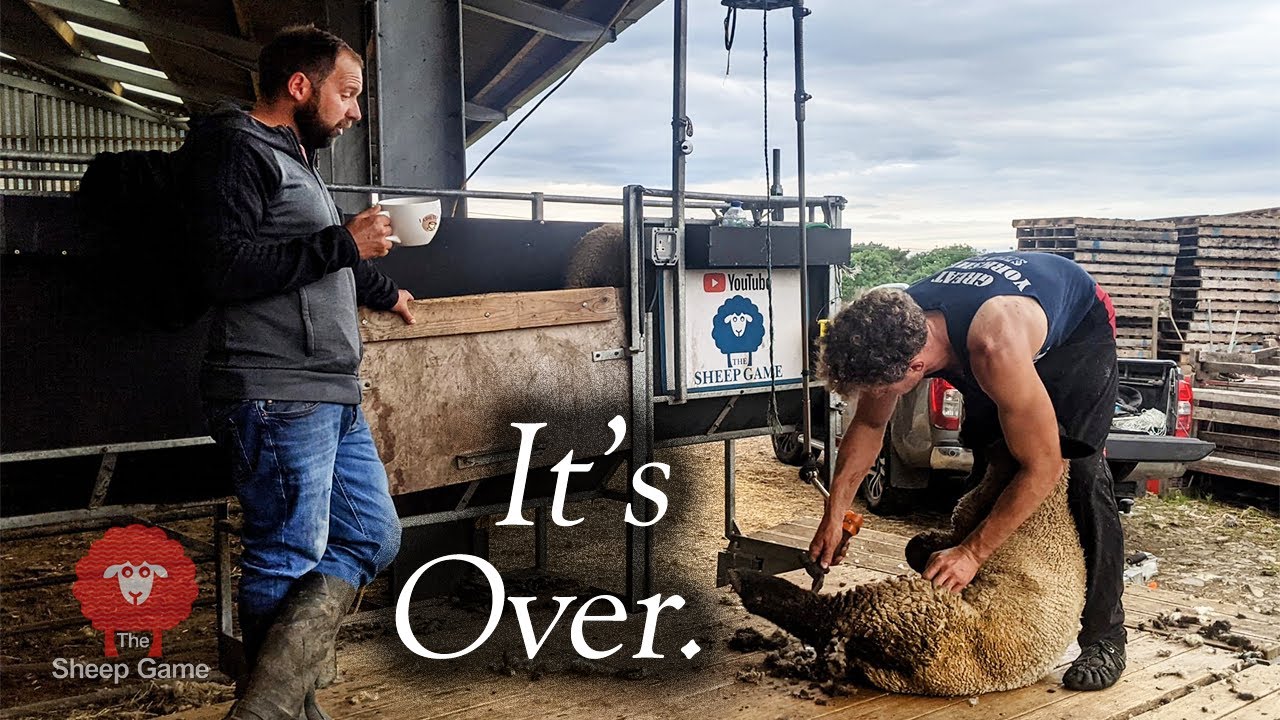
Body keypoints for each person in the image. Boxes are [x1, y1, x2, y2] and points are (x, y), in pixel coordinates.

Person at [177, 25, 413, 719]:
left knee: (372, 533)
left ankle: (270, 707)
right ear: (300, 86)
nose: (356, 111)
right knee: (286, 552)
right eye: (348, 94)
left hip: (325, 390)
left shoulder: (293, 156)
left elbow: (315, 257)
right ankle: (283, 711)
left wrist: (383, 291)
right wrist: (344, 240)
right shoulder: (233, 148)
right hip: (273, 388)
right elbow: (225, 267)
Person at [810, 251, 1127, 692]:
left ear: (916, 368)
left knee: (1080, 470)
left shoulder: (994, 344)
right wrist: (834, 512)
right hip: (983, 338)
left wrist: (972, 553)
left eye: (882, 389)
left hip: (1077, 331)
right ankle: (976, 586)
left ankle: (1106, 636)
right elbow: (869, 424)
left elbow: (1045, 468)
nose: (878, 396)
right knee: (991, 457)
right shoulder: (896, 328)